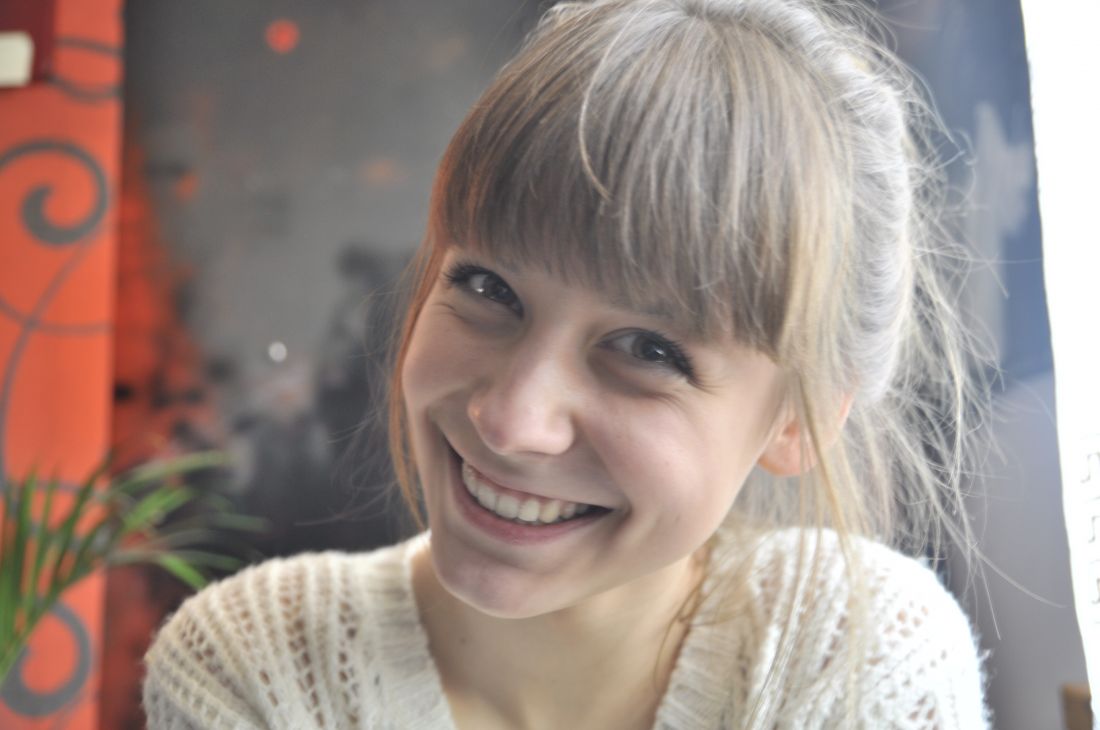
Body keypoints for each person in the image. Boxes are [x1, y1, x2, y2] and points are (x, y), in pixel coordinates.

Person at [142, 0, 992, 727]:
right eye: (487, 286)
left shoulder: (859, 655)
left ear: (798, 419)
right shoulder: (256, 666)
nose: (512, 420)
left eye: (650, 350)